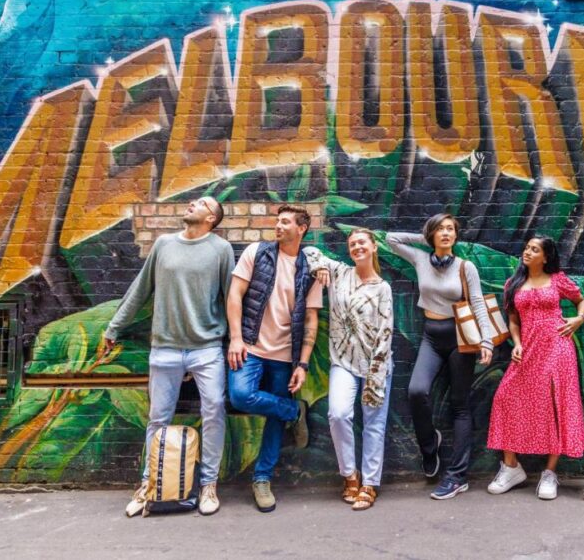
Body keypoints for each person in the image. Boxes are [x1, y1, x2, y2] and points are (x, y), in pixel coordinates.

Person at [100, 196, 234, 518]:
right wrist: (114, 327)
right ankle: (148, 485)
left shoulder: (221, 250)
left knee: (214, 409)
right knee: (158, 418)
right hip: (165, 348)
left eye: (201, 203)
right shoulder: (163, 245)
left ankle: (208, 485)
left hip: (207, 348)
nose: (192, 203)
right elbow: (139, 290)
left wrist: (239, 340)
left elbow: (232, 298)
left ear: (212, 218)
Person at [386, 214, 494, 500]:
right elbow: (390, 239)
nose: (446, 234)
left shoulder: (465, 267)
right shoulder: (421, 259)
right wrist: (427, 236)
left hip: (461, 337)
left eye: (450, 230)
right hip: (431, 335)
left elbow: (478, 303)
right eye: (441, 230)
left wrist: (487, 340)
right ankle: (429, 445)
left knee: (460, 405)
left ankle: (458, 476)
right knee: (417, 391)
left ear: (457, 235)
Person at [226, 205, 323, 513]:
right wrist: (236, 338)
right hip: (251, 348)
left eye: (285, 222)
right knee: (240, 396)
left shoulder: (312, 267)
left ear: (302, 228)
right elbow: (234, 295)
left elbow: (311, 318)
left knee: (274, 419)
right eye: (277, 221)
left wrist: (303, 363)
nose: (278, 226)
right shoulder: (258, 252)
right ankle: (294, 410)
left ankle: (262, 478)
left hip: (285, 355)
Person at [486, 236, 584, 500]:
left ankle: (549, 473)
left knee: (554, 406)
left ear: (545, 257)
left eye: (535, 249)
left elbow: (581, 300)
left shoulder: (557, 280)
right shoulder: (514, 283)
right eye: (527, 248)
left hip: (557, 348)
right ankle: (511, 467)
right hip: (527, 351)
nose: (528, 252)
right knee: (504, 398)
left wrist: (578, 319)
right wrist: (516, 344)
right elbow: (513, 320)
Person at [305, 230, 394, 511]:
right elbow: (309, 251)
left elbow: (386, 332)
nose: (357, 247)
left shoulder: (383, 288)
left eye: (362, 243)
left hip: (375, 365)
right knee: (339, 414)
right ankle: (349, 475)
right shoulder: (340, 272)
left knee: (374, 425)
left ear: (373, 247)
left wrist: (375, 376)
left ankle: (369, 484)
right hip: (342, 361)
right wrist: (319, 265)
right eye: (352, 243)